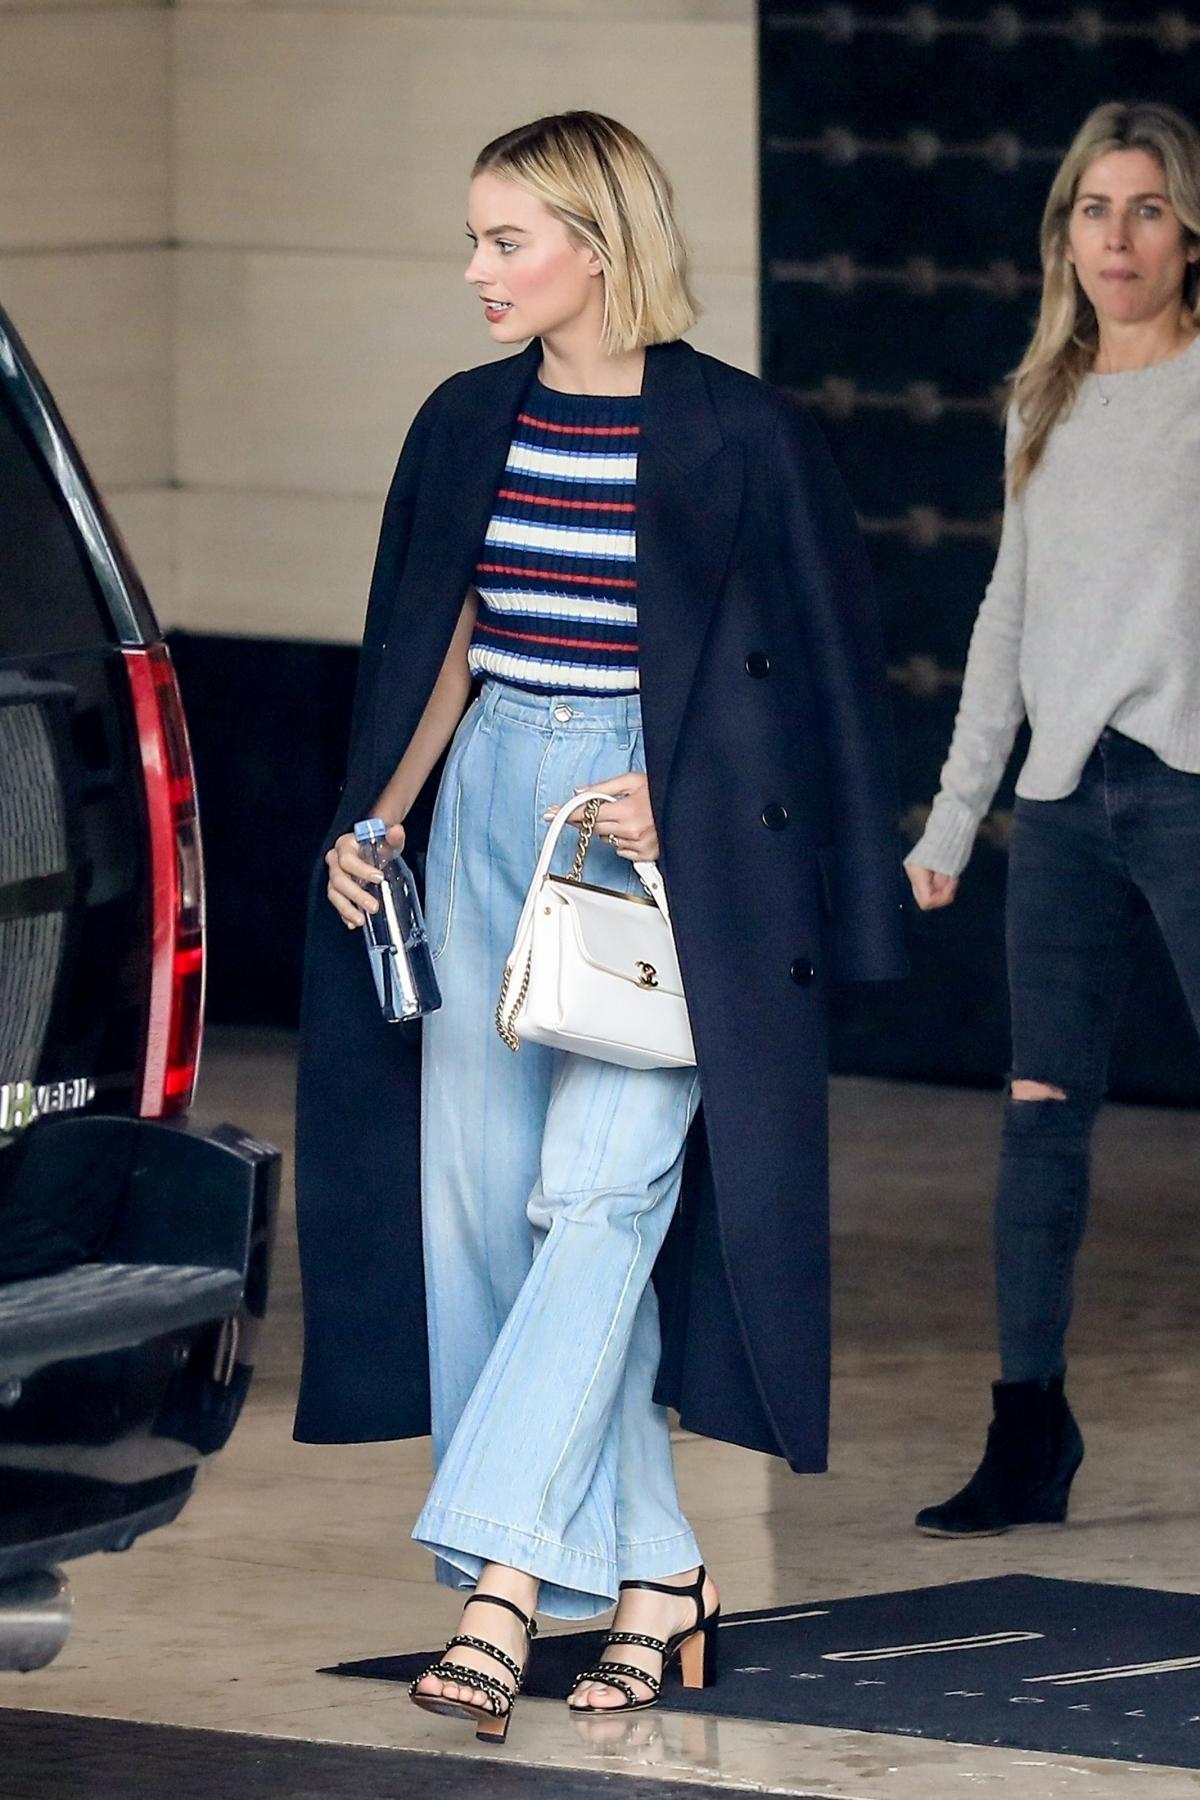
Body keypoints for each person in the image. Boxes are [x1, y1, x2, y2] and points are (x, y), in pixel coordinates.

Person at [293, 110, 906, 1740]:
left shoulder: (746, 435)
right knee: (485, 1220)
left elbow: (832, 687)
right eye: (475, 238)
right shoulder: (464, 420)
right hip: (488, 807)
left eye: (507, 239)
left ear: (600, 244)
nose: (476, 270)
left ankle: (498, 1581)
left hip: (653, 848)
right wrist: (380, 818)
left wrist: (690, 794)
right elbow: (446, 635)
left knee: (596, 1196)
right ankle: (657, 1577)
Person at [906, 100, 1200, 1538]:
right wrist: (954, 816)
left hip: (1191, 789)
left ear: (1188, 232)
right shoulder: (1047, 401)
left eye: (1146, 209)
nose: (1118, 237)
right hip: (1066, 807)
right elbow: (1005, 618)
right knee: (1039, 1117)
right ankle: (1029, 1430)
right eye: (1095, 209)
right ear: (1065, 236)